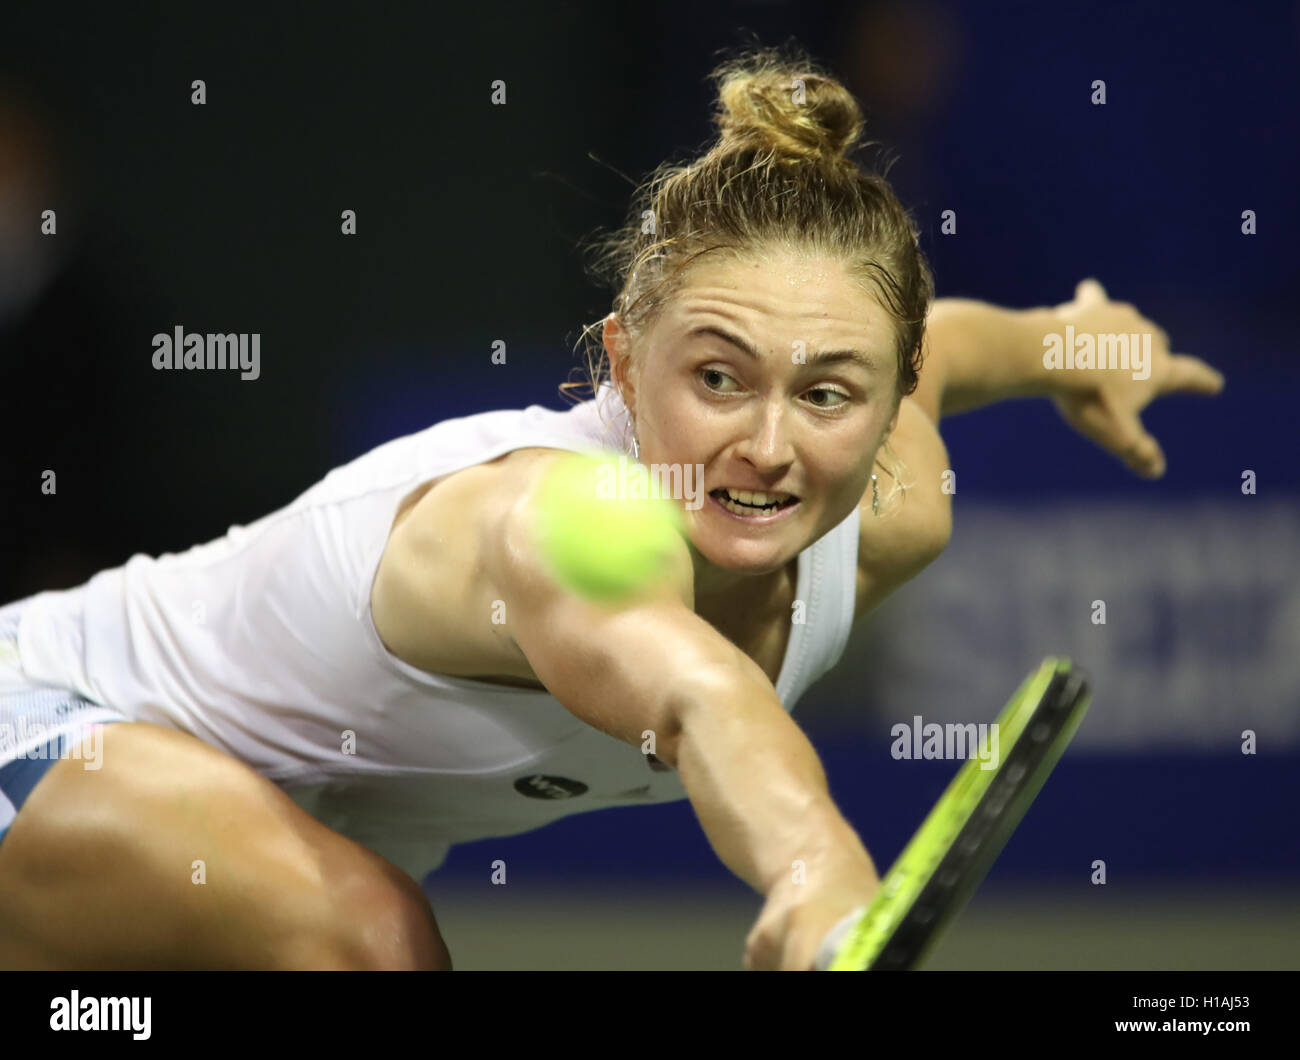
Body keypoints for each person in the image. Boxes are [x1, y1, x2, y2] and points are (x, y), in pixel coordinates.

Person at [0, 46, 1223, 972]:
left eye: (829, 392)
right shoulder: (555, 522)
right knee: (371, 938)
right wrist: (811, 869)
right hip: (51, 729)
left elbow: (951, 349)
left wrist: (1075, 341)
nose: (765, 444)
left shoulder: (895, 508)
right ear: (620, 364)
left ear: (886, 402)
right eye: (714, 376)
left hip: (252, 831)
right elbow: (699, 697)